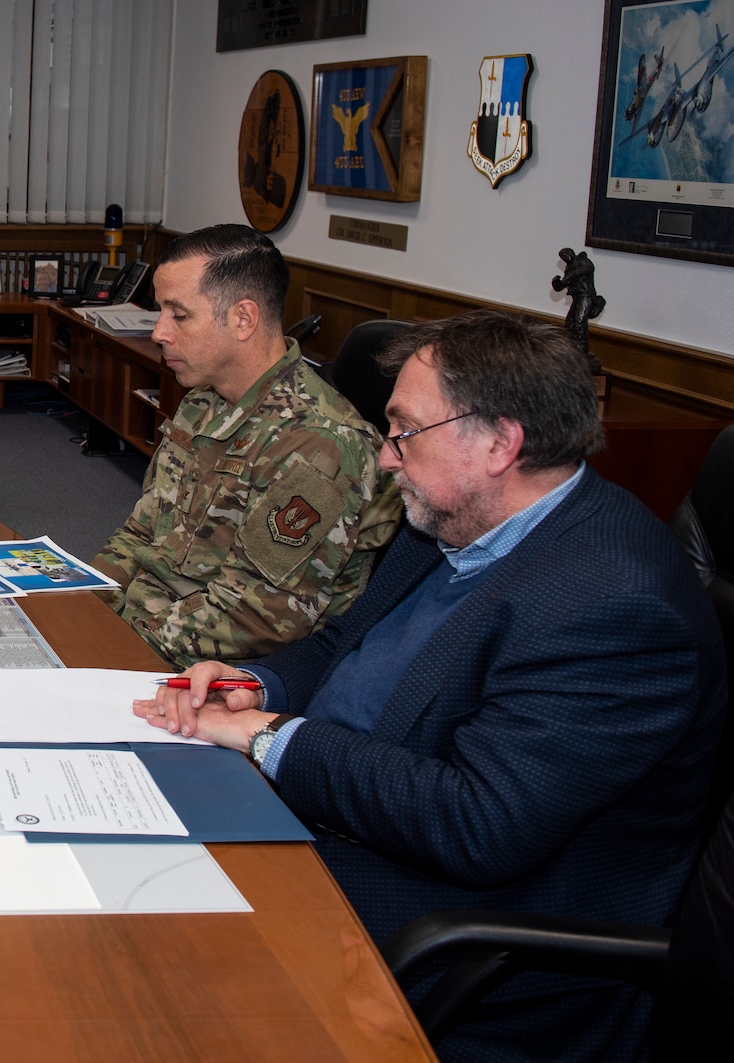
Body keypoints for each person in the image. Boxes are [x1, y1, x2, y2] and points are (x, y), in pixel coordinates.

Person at [138, 310, 725, 1062]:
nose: (385, 458)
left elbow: (475, 823)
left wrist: (268, 736)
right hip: (347, 797)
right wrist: (256, 683)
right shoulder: (453, 515)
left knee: (150, 938)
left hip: (468, 927)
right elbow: (347, 644)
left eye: (404, 431)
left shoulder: (616, 607)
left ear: (499, 443)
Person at [91, 223, 397, 666]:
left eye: (178, 315)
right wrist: (81, 599)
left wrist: (109, 647)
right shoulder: (203, 401)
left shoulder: (318, 444)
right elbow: (143, 530)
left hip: (205, 670)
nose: (159, 332)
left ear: (243, 318)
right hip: (140, 628)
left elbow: (257, 617)